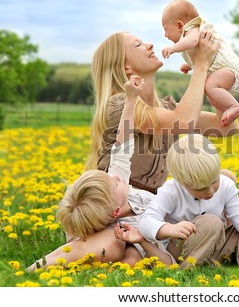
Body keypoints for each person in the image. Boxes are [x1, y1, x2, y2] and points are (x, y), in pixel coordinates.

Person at [28, 29, 238, 270]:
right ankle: (50, 262)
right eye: (138, 45)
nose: (150, 45)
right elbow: (184, 122)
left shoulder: (166, 108)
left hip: (148, 208)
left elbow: (227, 128)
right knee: (115, 246)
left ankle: (147, 253)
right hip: (111, 211)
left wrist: (214, 81)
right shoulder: (120, 104)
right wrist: (200, 65)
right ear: (126, 68)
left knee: (225, 179)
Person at [27, 75, 173, 271]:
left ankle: (63, 257)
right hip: (124, 237)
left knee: (128, 256)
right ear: (115, 212)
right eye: (113, 183)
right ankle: (42, 265)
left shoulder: (119, 188)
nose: (115, 176)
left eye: (109, 176)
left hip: (133, 240)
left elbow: (123, 144)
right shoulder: (115, 222)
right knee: (116, 248)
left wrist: (130, 100)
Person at [114, 134, 239, 269]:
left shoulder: (225, 185)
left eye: (214, 182)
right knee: (211, 221)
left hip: (216, 244)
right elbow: (146, 222)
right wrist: (169, 229)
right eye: (201, 188)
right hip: (183, 249)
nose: (210, 191)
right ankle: (188, 269)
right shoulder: (171, 190)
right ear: (181, 181)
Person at [161, 0, 239, 128]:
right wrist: (191, 65)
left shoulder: (191, 30)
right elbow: (203, 57)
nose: (165, 35)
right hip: (224, 69)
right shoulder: (192, 33)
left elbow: (192, 41)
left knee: (210, 86)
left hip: (229, 68)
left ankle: (233, 106)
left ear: (180, 26)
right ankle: (228, 110)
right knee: (210, 92)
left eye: (166, 29)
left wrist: (173, 48)